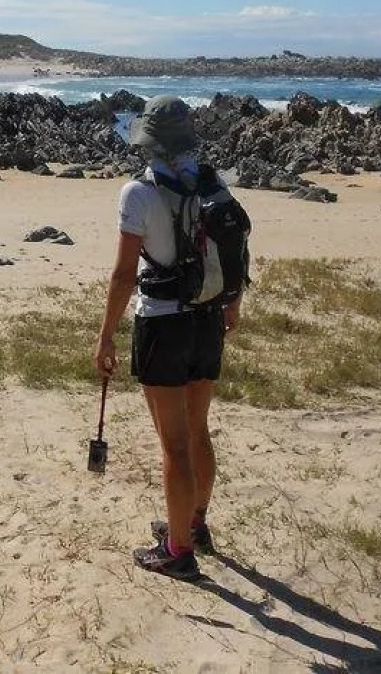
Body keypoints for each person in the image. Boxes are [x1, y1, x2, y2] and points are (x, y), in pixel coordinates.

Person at [94, 95, 248, 581]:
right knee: (197, 432)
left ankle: (178, 551)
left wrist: (105, 336)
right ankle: (194, 524)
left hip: (163, 324)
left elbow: (124, 275)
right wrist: (232, 303)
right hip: (207, 319)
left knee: (174, 445)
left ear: (150, 142)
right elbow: (233, 251)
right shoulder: (212, 184)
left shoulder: (138, 193)